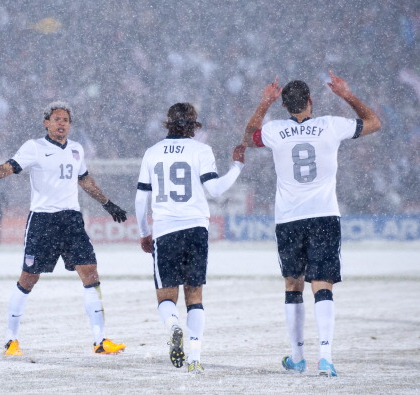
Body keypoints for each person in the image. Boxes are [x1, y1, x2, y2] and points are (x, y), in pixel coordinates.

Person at [241, 72, 381, 377]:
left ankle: (298, 357)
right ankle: (326, 357)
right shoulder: (331, 125)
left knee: (293, 284)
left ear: (284, 105)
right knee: (323, 284)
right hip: (324, 215)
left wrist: (264, 101)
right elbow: (374, 123)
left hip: (289, 218)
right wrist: (347, 94)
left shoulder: (276, 131)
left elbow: (248, 135)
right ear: (310, 101)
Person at [0, 101, 127, 356]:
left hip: (72, 220)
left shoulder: (76, 149)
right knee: (28, 278)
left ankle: (100, 340)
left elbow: (83, 179)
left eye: (66, 120)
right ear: (46, 123)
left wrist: (108, 203)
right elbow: (8, 167)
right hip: (43, 221)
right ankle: (11, 339)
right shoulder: (34, 147)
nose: (62, 123)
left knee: (90, 273)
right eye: (57, 119)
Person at [135, 102, 246, 374]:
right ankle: (194, 356)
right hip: (196, 227)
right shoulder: (201, 150)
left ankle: (174, 326)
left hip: (166, 229)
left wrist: (144, 232)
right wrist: (237, 167)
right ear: (194, 125)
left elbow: (141, 198)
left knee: (166, 296)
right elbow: (215, 189)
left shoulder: (152, 152)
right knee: (194, 294)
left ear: (168, 122)